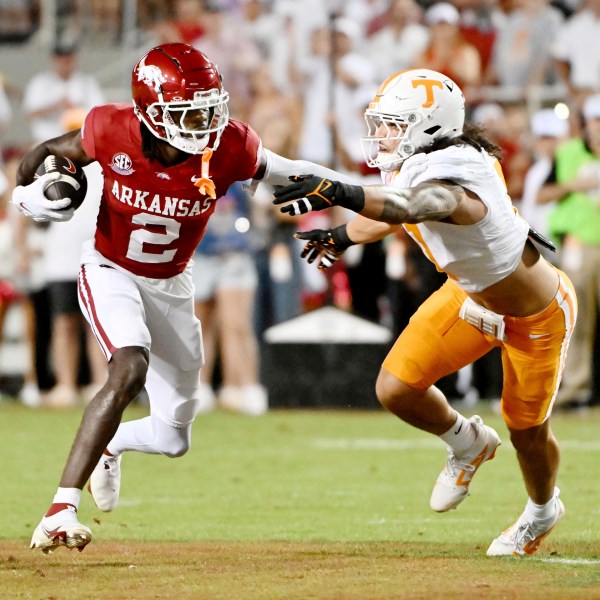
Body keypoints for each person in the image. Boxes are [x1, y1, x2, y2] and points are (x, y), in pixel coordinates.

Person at [13, 42, 360, 554]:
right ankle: (61, 507)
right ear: (150, 112)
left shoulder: (229, 146)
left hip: (175, 285)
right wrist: (34, 191)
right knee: (128, 367)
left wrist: (357, 195)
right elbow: (43, 155)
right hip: (112, 269)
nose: (203, 122)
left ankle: (112, 441)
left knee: (174, 438)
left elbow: (289, 170)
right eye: (188, 112)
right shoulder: (111, 128)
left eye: (208, 107)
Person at [273, 68, 577, 557]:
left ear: (428, 126)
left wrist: (337, 192)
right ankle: (467, 442)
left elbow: (411, 205)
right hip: (469, 296)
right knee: (395, 388)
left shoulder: (458, 177)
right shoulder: (424, 159)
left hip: (536, 316)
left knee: (528, 432)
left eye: (393, 124)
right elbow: (392, 208)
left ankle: (543, 510)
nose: (382, 135)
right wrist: (343, 235)